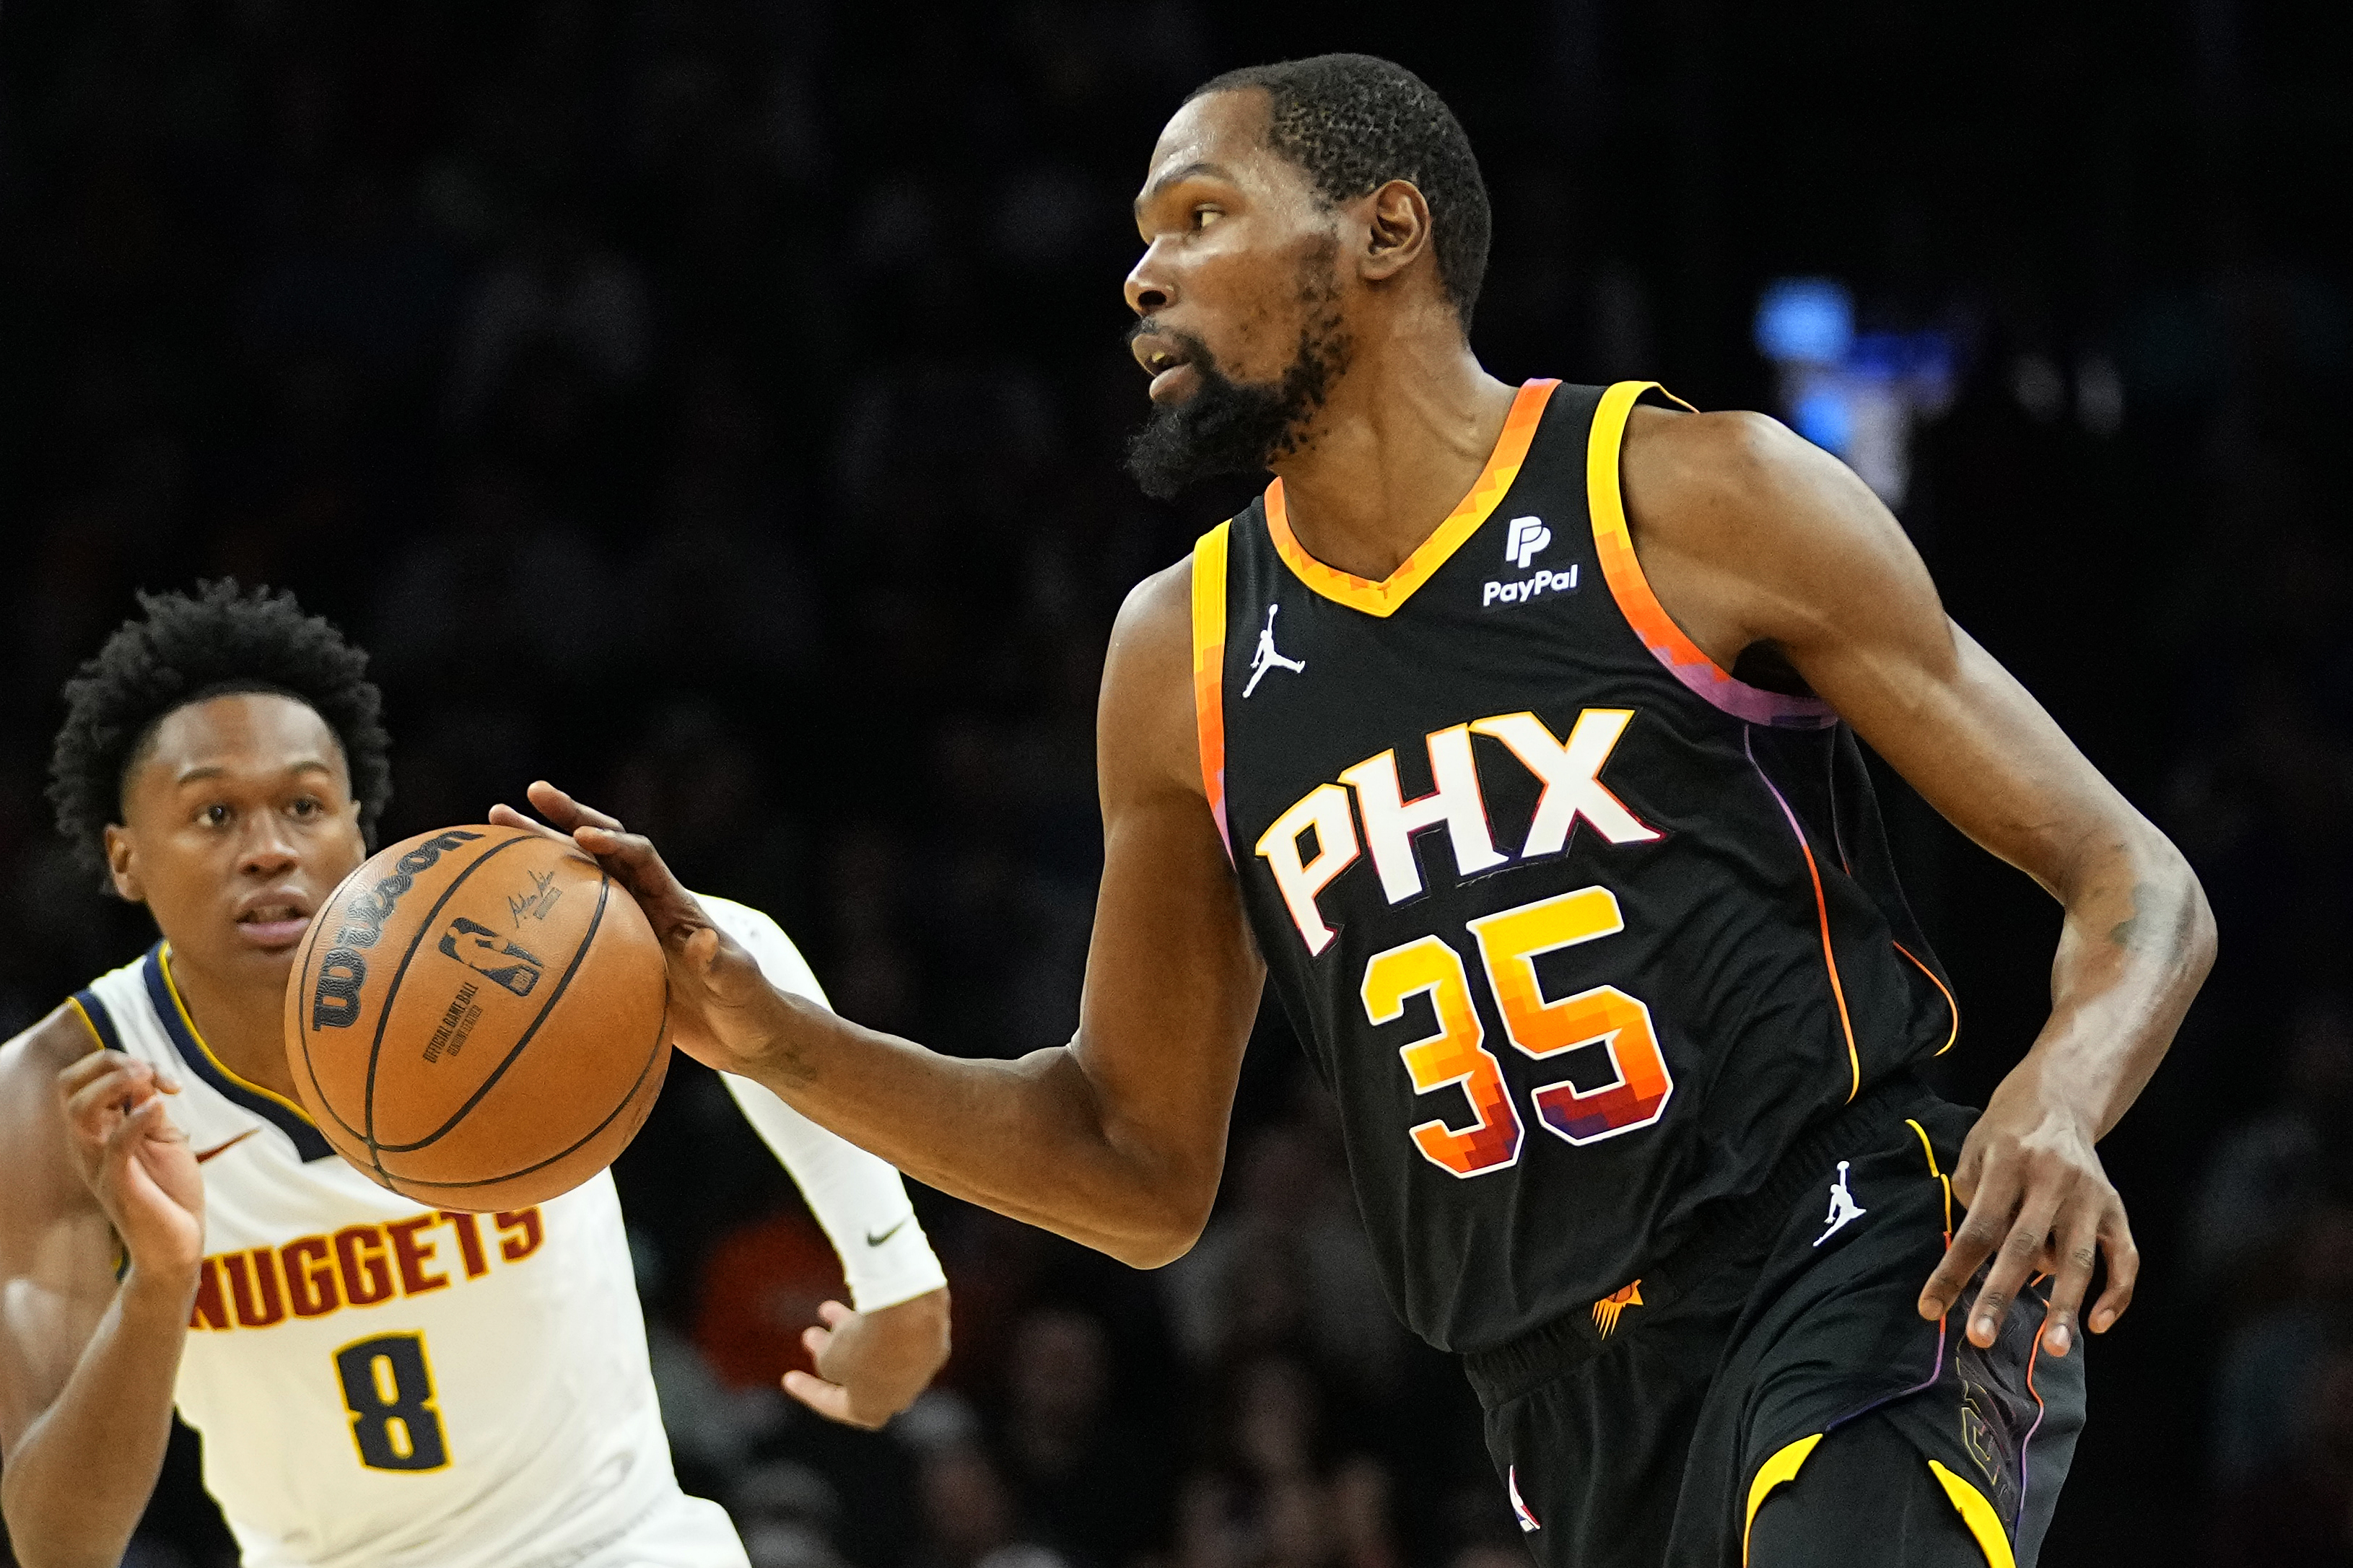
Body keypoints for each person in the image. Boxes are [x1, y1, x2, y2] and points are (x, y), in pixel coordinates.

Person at [509, 53, 2214, 1568]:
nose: (1140, 274)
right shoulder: (1173, 649)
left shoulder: (1691, 497)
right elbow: (1132, 1164)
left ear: (1383, 230)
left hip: (1850, 1253)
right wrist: (778, 1043)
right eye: (1141, 233)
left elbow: (2132, 878)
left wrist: (2057, 1098)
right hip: (1550, 1394)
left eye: (1197, 216)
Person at [0, 582, 952, 1568]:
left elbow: (731, 952)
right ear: (124, 857)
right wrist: (158, 1288)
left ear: (360, 826)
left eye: (304, 804)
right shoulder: (57, 1090)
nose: (271, 849)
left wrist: (892, 1263)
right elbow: (57, 1545)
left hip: (612, 1543)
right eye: (214, 814)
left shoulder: (499, 945)